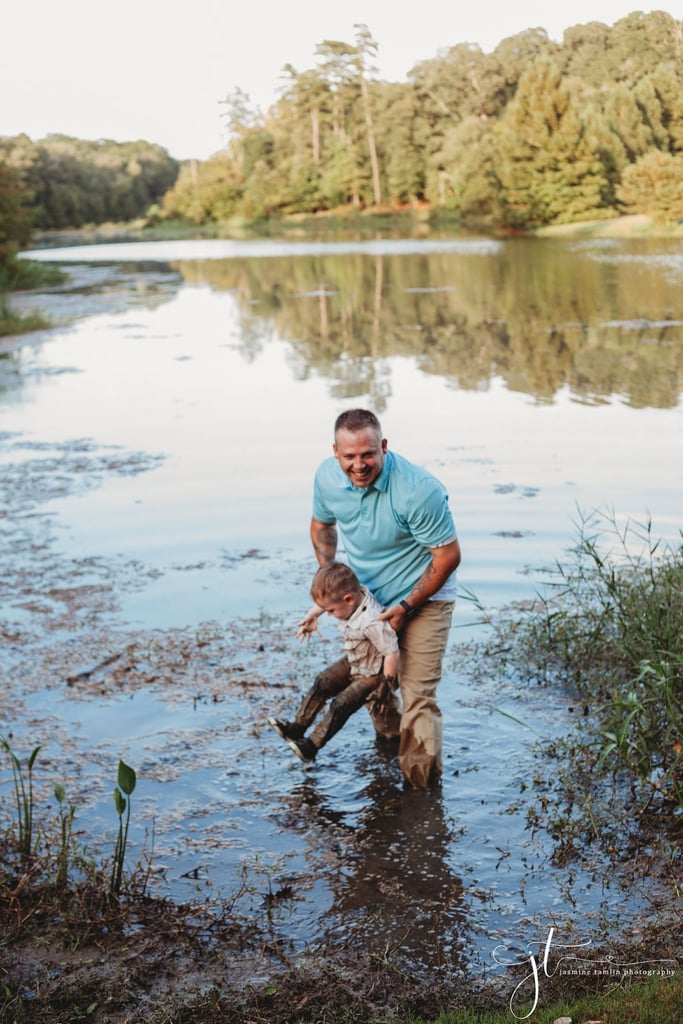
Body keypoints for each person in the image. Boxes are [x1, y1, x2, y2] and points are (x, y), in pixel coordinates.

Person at [302, 408, 461, 789]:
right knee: (372, 680)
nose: (359, 465)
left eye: (368, 455)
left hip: (424, 595)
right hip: (367, 598)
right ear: (336, 453)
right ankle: (390, 744)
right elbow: (322, 525)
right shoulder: (326, 478)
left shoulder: (417, 490)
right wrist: (333, 582)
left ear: (384, 447)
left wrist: (405, 608)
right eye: (350, 457)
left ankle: (421, 800)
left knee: (418, 695)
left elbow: (448, 556)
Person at [268, 561, 400, 763]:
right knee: (323, 681)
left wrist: (387, 685)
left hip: (374, 672)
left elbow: (392, 652)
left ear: (348, 599)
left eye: (330, 611)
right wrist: (313, 614)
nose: (328, 614)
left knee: (341, 704)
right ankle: (297, 728)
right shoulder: (351, 598)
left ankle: (311, 746)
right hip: (356, 659)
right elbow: (330, 600)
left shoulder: (372, 621)